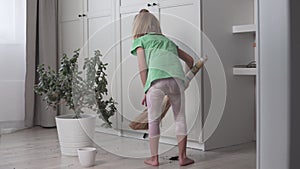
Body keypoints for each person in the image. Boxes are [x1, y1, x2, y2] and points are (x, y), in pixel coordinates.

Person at [131, 9, 196, 166]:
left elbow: (142, 68)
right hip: (177, 81)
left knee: (153, 121)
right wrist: (186, 79)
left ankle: (154, 159)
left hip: (156, 82)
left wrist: (146, 90)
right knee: (180, 118)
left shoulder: (141, 42)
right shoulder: (168, 41)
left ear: (138, 27)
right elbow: (190, 60)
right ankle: (182, 157)